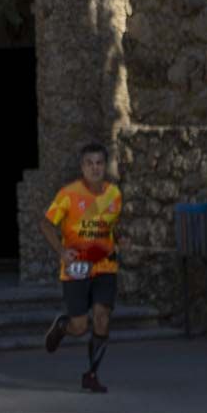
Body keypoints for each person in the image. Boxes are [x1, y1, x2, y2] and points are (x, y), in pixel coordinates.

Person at [41, 142, 123, 393]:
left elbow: (111, 229)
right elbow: (46, 223)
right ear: (82, 167)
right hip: (76, 269)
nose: (95, 168)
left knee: (102, 317)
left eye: (99, 163)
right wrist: (62, 252)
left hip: (105, 268)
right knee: (80, 326)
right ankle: (63, 326)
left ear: (105, 166)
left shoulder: (114, 195)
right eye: (90, 163)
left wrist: (120, 242)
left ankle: (92, 374)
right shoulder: (68, 194)